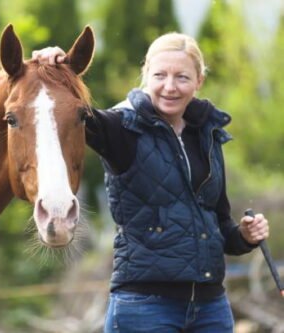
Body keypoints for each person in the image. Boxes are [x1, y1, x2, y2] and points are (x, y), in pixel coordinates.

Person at [32, 32, 270, 333]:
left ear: (199, 81)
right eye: (160, 75)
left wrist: (246, 237)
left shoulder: (207, 135)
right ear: (146, 76)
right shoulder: (120, 127)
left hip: (211, 308)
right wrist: (56, 70)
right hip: (144, 308)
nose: (170, 87)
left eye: (182, 77)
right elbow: (67, 110)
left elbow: (220, 225)